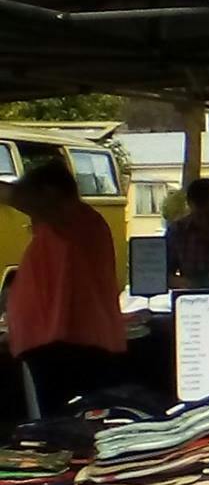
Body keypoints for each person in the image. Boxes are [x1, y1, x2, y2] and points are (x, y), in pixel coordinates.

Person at [2, 159, 127, 411]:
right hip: (58, 343)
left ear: (50, 193)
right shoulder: (58, 225)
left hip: (71, 344)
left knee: (63, 425)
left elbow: (13, 196)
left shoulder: (73, 220)